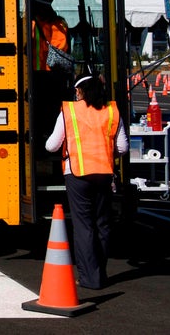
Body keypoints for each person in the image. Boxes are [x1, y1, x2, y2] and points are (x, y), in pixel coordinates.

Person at [45, 74, 128, 289]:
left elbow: (52, 145)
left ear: (80, 91)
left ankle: (90, 277)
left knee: (84, 226)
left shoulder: (70, 111)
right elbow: (122, 148)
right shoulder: (112, 111)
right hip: (104, 174)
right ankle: (99, 271)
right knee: (103, 224)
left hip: (77, 175)